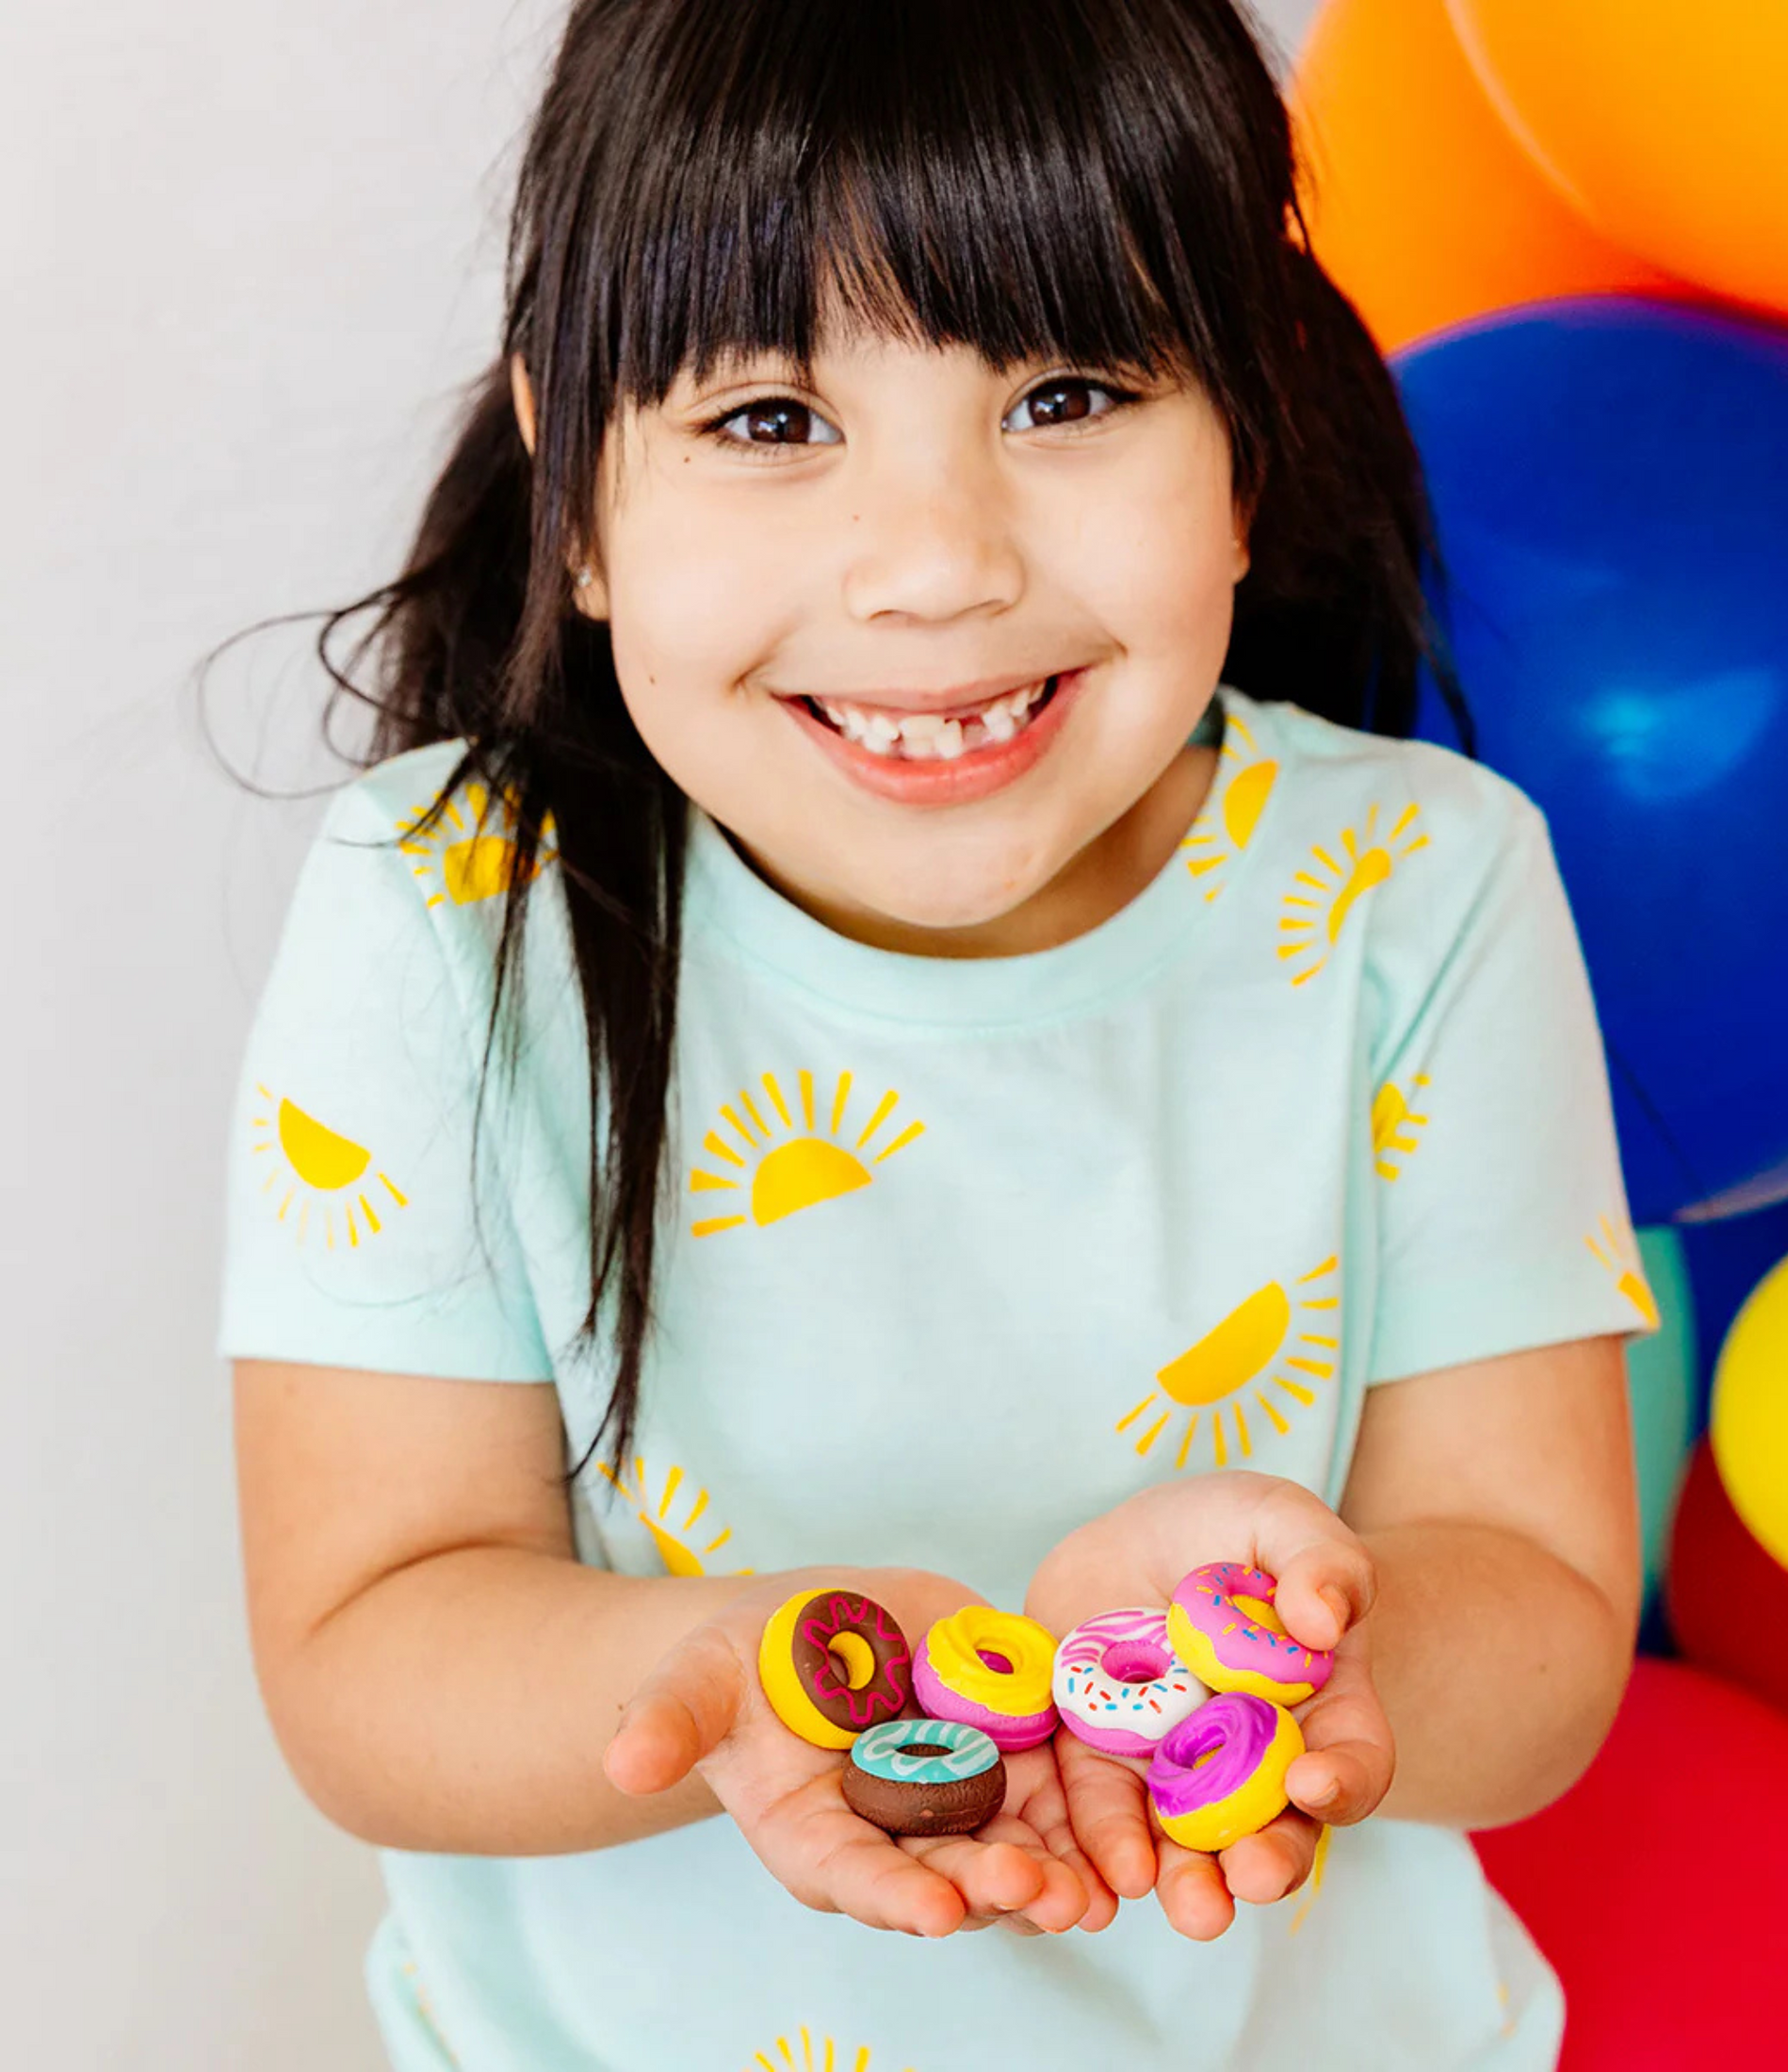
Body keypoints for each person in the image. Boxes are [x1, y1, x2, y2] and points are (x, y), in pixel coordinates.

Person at [218, 1, 1659, 2064]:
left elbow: (1532, 1616)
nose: (933, 567)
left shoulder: (1419, 891)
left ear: (1246, 444)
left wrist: (1315, 1631)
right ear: (582, 489)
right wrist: (732, 1670)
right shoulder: (446, 911)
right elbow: (365, 1639)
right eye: (768, 422)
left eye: (1065, 392)